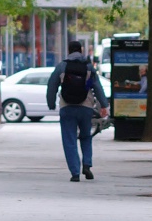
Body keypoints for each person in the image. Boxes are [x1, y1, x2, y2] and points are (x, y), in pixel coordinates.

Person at [47, 40, 109, 181]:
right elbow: (97, 87)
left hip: (67, 107)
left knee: (69, 139)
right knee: (86, 136)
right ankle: (87, 164)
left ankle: (75, 172)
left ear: (68, 50)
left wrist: (51, 103)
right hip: (85, 107)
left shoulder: (62, 66)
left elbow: (52, 85)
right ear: (81, 50)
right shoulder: (88, 67)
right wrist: (104, 105)